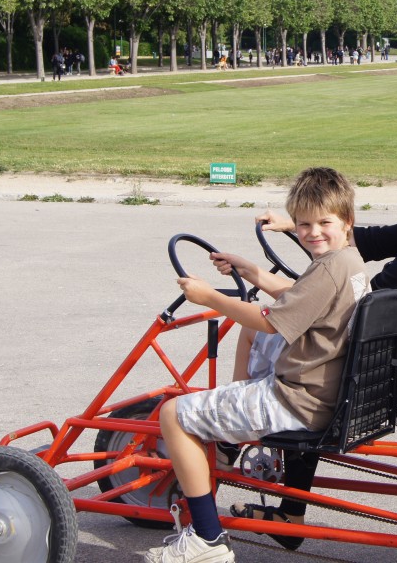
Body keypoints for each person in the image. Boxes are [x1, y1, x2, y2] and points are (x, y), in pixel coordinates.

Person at [254, 146, 397, 541]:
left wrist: (274, 283)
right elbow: (373, 240)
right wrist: (298, 226)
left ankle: (264, 461)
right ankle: (290, 512)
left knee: (309, 369)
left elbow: (364, 296)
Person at [143, 167, 367, 563]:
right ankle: (227, 439)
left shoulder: (328, 267)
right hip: (322, 390)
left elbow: (269, 319)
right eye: (303, 225)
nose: (313, 232)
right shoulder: (348, 260)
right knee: (253, 338)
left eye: (324, 223)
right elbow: (301, 296)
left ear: (347, 221)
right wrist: (251, 271)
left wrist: (209, 296)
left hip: (297, 400)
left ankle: (207, 541)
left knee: (173, 414)